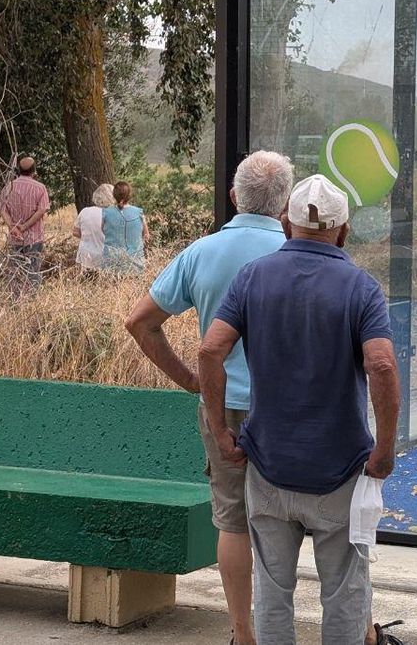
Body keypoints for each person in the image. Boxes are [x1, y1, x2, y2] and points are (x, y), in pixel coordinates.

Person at [197, 174, 404, 645]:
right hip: (340, 470)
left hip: (268, 467)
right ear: (344, 230)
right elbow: (382, 364)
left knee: (272, 591)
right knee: (344, 591)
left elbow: (210, 351)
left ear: (287, 225)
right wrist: (385, 450)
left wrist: (220, 430)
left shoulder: (253, 277)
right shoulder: (361, 287)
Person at [125, 151, 293, 645]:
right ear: (285, 202)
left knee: (234, 522)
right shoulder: (298, 250)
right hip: (290, 409)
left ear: (234, 196)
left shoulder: (201, 253)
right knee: (300, 520)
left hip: (225, 409)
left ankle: (243, 633)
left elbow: (141, 322)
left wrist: (190, 380)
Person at [0, 155, 50, 289]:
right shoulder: (40, 188)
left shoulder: (8, 187)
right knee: (33, 270)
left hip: (14, 237)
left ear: (18, 170)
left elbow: (3, 210)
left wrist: (13, 227)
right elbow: (42, 210)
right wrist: (25, 226)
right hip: (34, 237)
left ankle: (16, 298)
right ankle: (32, 301)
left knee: (15, 271)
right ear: (34, 170)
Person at [102, 181, 148, 274]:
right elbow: (146, 235)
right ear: (129, 195)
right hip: (136, 266)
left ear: (114, 195)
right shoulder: (139, 213)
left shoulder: (105, 213)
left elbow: (101, 232)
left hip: (111, 266)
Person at [73, 183, 111, 273]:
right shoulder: (112, 214)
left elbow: (75, 232)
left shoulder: (85, 211)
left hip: (85, 256)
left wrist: (88, 237)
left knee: (87, 283)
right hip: (105, 257)